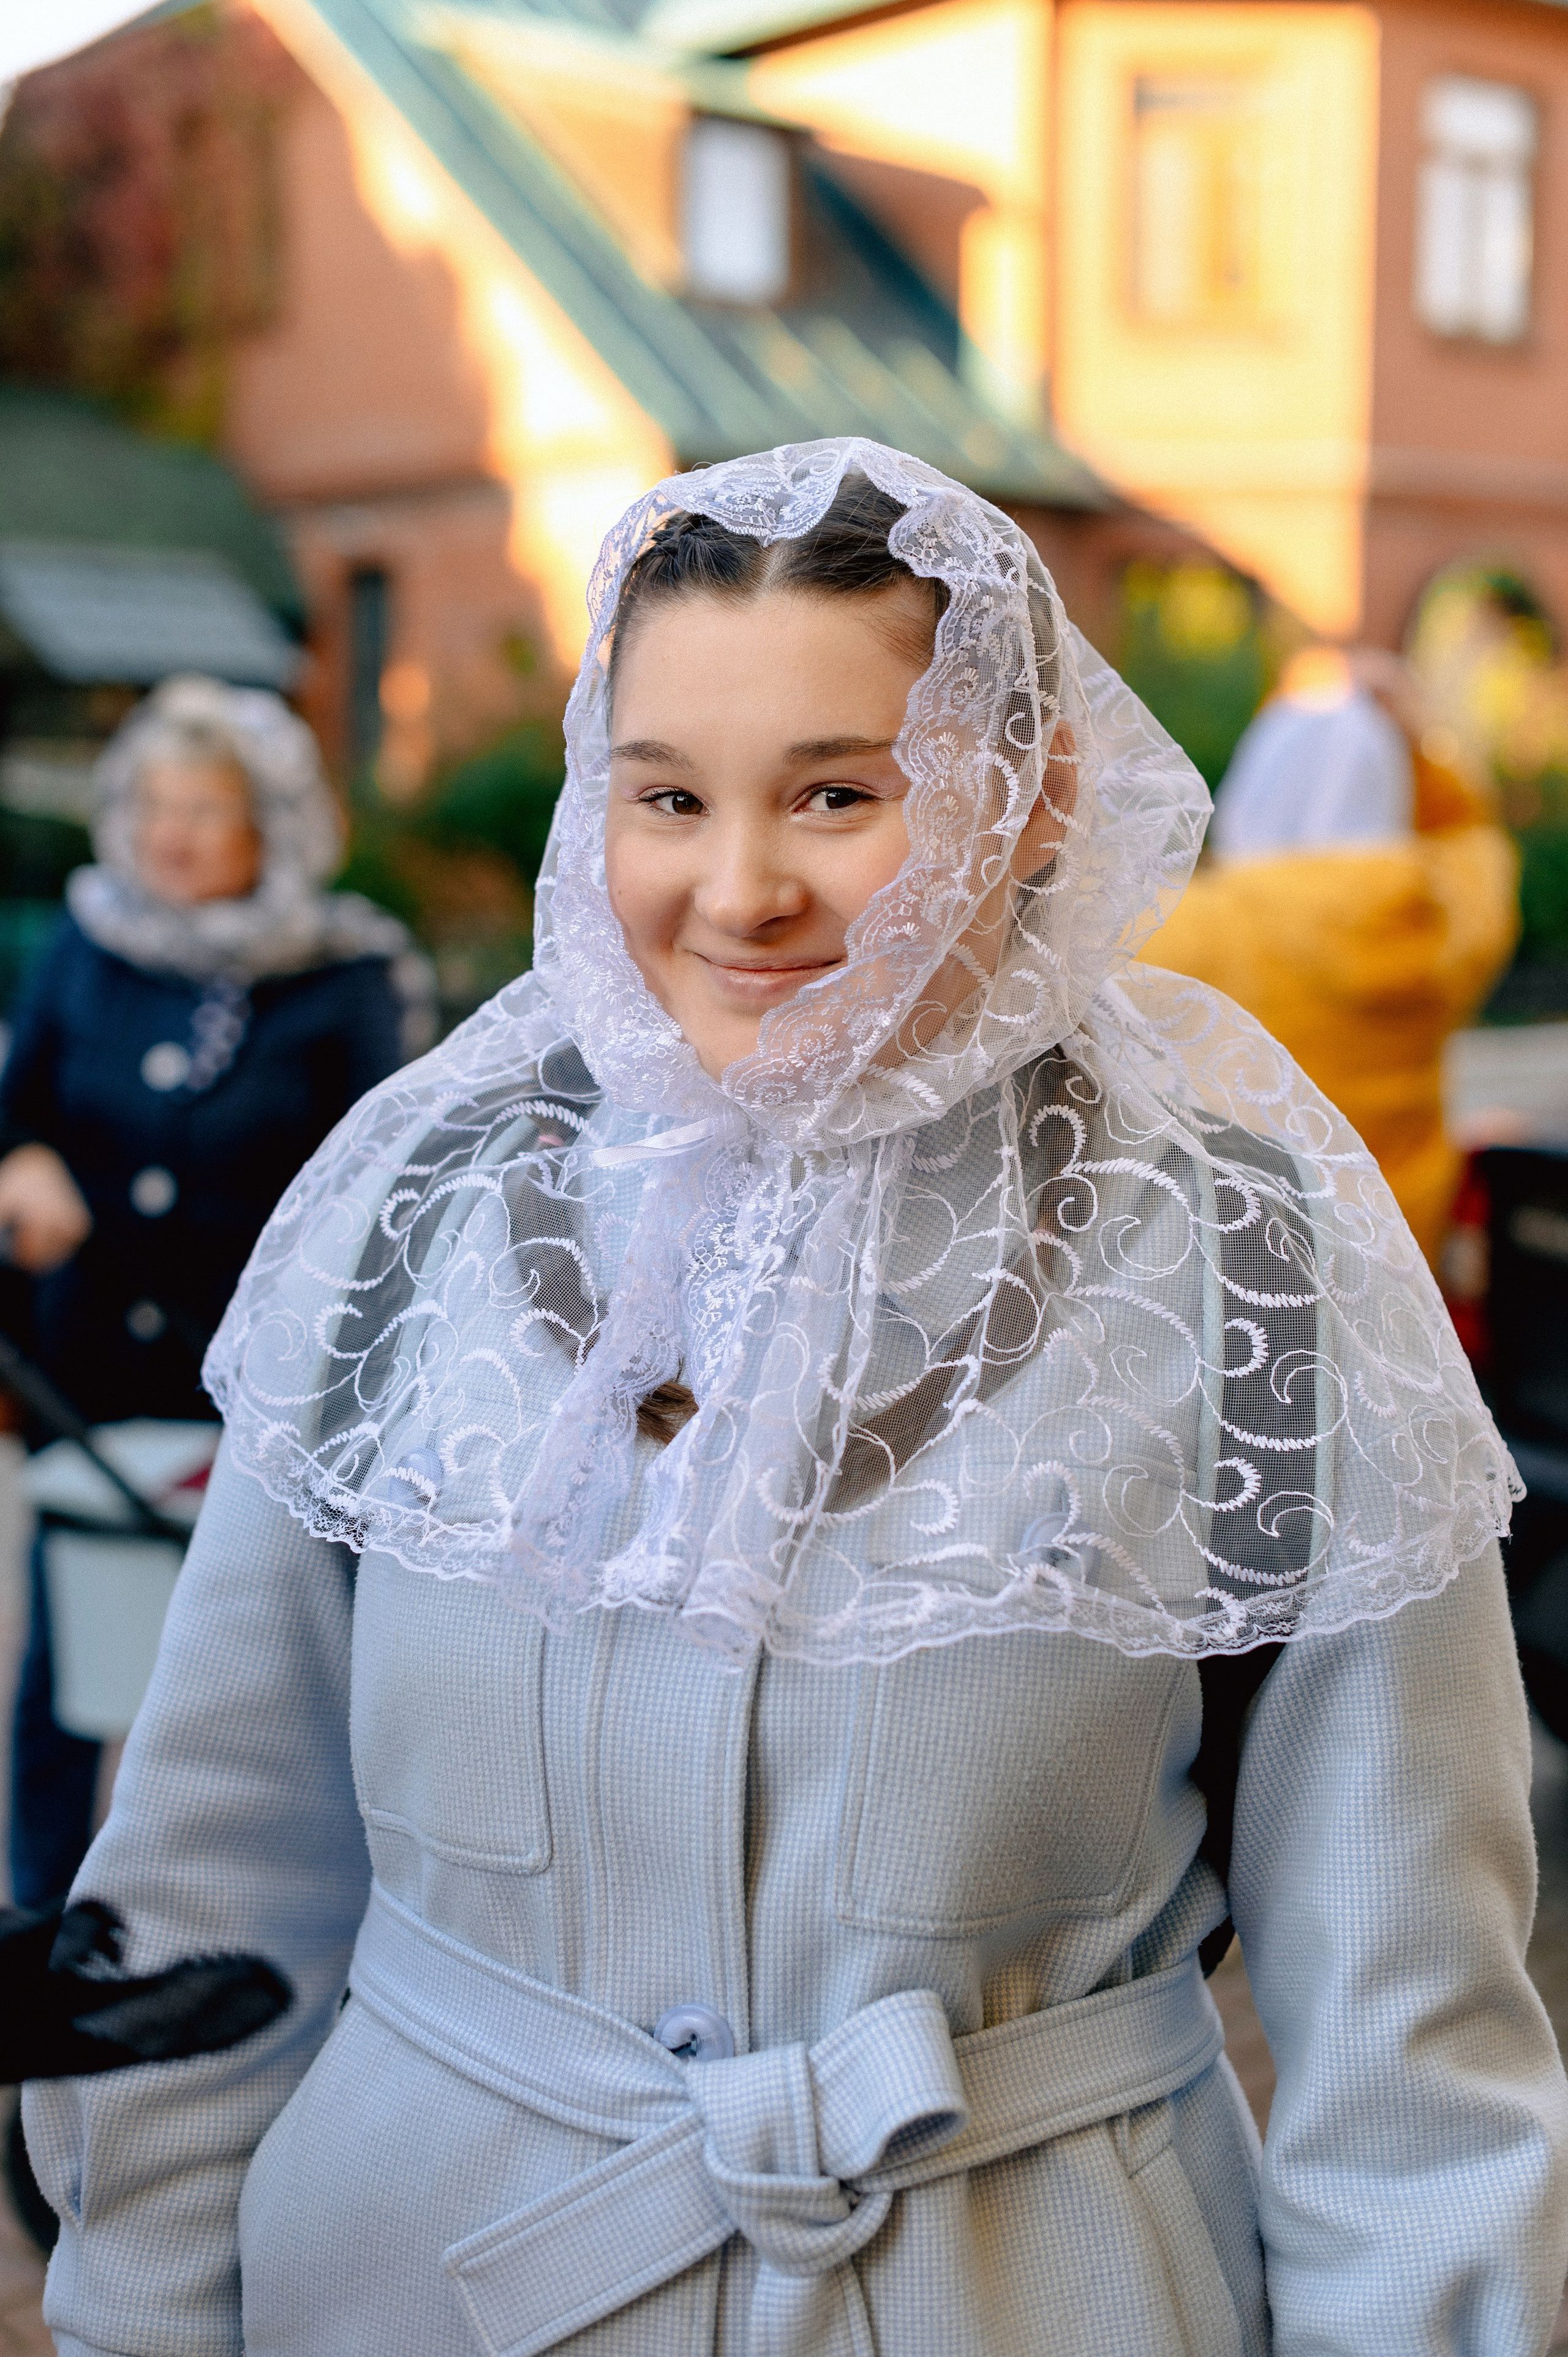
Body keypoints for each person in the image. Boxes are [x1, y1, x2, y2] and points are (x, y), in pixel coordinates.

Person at [24, 445, 1568, 2356]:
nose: (738, 890)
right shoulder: (411, 1203)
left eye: (838, 793)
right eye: (665, 794)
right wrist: (134, 2321)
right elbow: (208, 1895)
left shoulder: (1241, 1253)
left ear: (1028, 796)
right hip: (413, 2287)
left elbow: (1407, 2039)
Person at [1, 673, 429, 1912]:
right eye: (151, 802)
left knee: (252, 1666)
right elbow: (18, 1101)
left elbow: (385, 1175)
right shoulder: (88, 942)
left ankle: (245, 1937)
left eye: (205, 806)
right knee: (62, 1672)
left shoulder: (347, 972)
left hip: (258, 1386)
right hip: (89, 1376)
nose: (169, 831)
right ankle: (43, 1933)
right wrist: (25, 1160)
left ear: (274, 826)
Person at [1144, 645, 1518, 1263]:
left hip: (1236, 1269)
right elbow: (1477, 840)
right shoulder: (1438, 914)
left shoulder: (1188, 924)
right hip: (1399, 1264)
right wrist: (1416, 742)